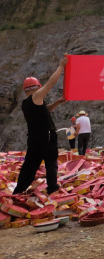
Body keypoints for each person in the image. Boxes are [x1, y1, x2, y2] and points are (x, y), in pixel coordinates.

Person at [13, 56, 68, 195]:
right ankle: (52, 188)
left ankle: (19, 190)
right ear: (37, 87)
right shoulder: (36, 96)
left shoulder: (26, 103)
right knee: (51, 162)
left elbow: (44, 109)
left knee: (30, 165)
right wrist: (61, 66)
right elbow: (51, 82)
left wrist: (57, 102)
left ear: (25, 89)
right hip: (46, 136)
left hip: (33, 138)